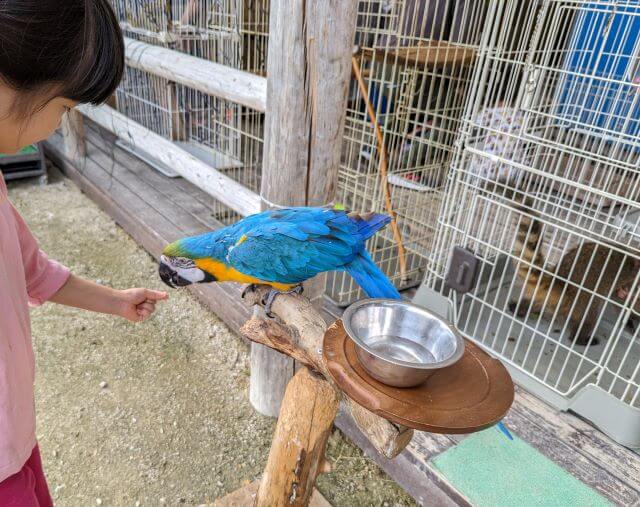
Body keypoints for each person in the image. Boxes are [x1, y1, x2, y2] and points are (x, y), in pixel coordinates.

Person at [0, 1, 168, 504]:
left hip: (16, 434)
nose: (57, 125)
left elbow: (31, 270)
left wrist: (114, 300)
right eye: (66, 107)